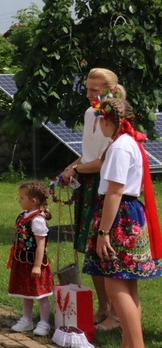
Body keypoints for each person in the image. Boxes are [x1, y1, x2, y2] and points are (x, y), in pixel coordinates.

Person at [83, 98, 162, 348]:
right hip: (131, 214)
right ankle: (130, 344)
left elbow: (115, 191)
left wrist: (104, 232)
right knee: (128, 286)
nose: (100, 127)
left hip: (120, 218)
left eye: (100, 121)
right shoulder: (131, 143)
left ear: (108, 120)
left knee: (115, 285)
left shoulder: (119, 148)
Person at [59, 67, 126, 329]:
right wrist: (71, 166)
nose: (89, 94)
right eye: (87, 89)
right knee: (91, 251)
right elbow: (89, 155)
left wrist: (76, 169)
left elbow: (105, 162)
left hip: (105, 186)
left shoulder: (116, 117)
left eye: (94, 90)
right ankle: (103, 308)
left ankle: (117, 315)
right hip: (87, 185)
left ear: (109, 91)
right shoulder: (91, 114)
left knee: (105, 250)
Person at [8, 181, 54, 337]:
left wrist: (37, 266)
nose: (19, 201)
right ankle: (27, 319)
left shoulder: (37, 220)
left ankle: (44, 322)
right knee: (26, 292)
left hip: (34, 263)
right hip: (22, 262)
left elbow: (41, 244)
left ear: (33, 201)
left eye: (21, 198)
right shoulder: (23, 216)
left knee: (40, 293)